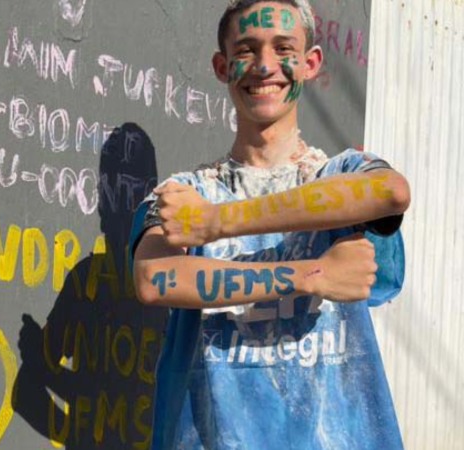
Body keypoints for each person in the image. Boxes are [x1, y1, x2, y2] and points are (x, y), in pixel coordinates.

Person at [129, 0, 411, 449]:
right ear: (222, 66)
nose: (264, 66)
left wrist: (216, 222)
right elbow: (153, 278)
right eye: (246, 49)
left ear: (310, 63)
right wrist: (310, 275)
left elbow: (391, 192)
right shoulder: (185, 193)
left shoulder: (342, 174)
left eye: (283, 49)